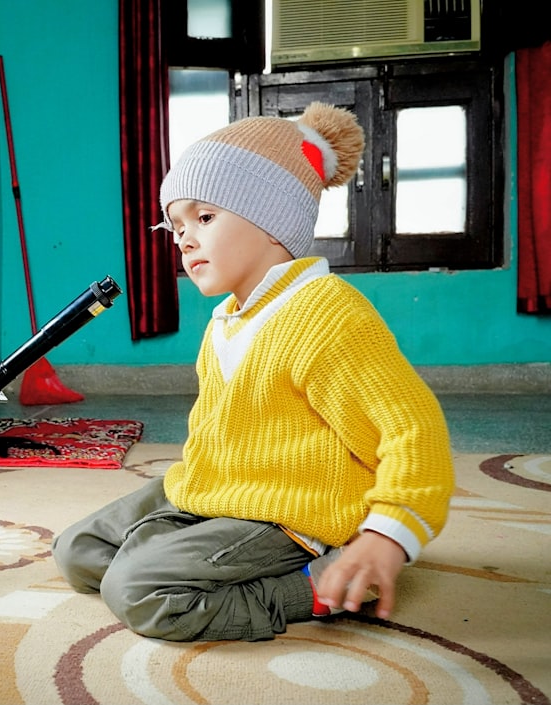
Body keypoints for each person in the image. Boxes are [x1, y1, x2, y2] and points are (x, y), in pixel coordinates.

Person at [51, 102, 455, 642]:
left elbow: (414, 429)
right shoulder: (226, 319)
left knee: (135, 592)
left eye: (205, 217)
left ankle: (315, 584)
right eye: (175, 226)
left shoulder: (328, 313)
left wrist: (389, 533)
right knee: (77, 552)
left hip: (292, 508)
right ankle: (197, 559)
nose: (184, 238)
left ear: (271, 221)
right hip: (217, 489)